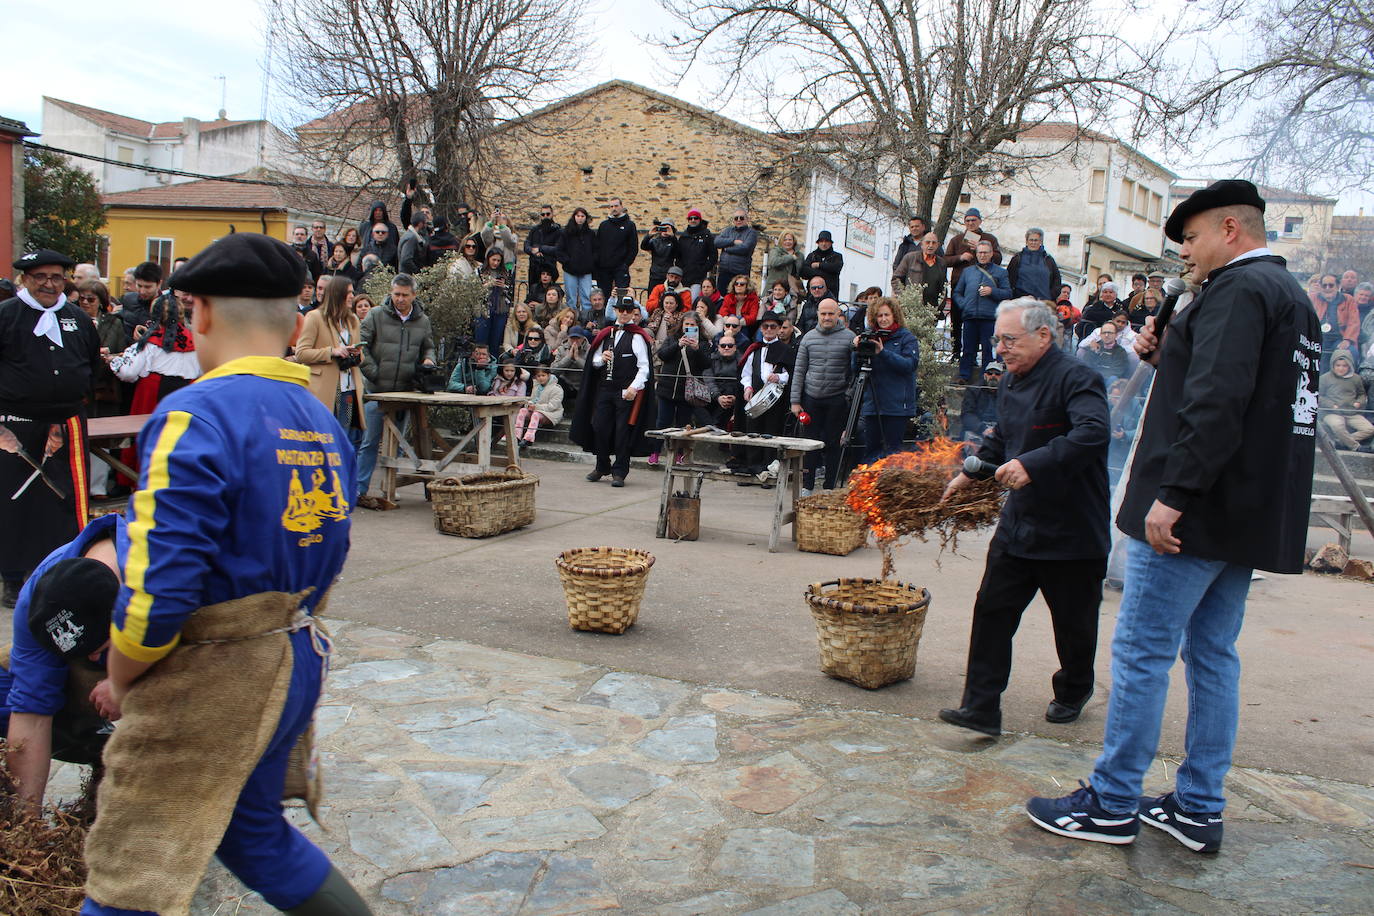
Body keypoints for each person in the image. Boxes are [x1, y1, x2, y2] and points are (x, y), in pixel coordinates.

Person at [79, 232, 372, 915]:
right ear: (296, 327)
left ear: (197, 315)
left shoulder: (194, 415)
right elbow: (334, 544)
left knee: (132, 864)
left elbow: (159, 588)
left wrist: (121, 675)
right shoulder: (320, 420)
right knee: (255, 836)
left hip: (212, 675)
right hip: (292, 653)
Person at [1026, 179, 1320, 854]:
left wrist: (1176, 492)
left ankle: (1111, 800)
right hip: (1245, 510)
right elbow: (1244, 390)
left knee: (1140, 652)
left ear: (1230, 232)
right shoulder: (1288, 297)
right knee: (1212, 655)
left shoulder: (1238, 292)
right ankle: (1197, 805)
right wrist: (1170, 353)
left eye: (1191, 238)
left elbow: (1217, 403)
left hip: (1197, 511)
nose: (1185, 253)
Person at [938, 297, 1110, 738]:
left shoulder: (1078, 378)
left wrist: (1034, 464)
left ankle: (1073, 690)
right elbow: (1003, 437)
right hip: (1020, 524)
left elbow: (1092, 433)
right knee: (992, 610)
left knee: (1073, 625)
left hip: (1072, 528)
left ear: (1043, 336)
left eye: (1008, 340)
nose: (1000, 349)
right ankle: (980, 707)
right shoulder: (1011, 382)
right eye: (997, 340)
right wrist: (969, 474)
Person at [0, 250, 103, 609]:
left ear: (65, 280)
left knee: (64, 502)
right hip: (15, 426)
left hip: (67, 426)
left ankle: (62, 571)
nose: (48, 283)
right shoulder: (6, 316)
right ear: (25, 279)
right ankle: (12, 576)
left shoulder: (77, 318)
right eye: (40, 276)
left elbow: (91, 367)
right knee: (14, 503)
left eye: (56, 277)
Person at [2, 516, 126, 809]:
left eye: (101, 647)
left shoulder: (175, 571)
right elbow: (30, 710)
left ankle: (130, 782)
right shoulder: (38, 598)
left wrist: (130, 683)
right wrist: (26, 830)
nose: (94, 657)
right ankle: (102, 757)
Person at [355, 274, 436, 509]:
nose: (400, 299)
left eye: (404, 295)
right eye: (396, 294)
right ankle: (359, 489)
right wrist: (374, 372)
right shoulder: (375, 315)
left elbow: (429, 346)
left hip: (405, 392)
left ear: (414, 295)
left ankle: (388, 487)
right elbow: (361, 346)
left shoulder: (423, 321)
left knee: (398, 443)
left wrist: (429, 360)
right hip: (376, 391)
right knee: (370, 442)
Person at [570, 297, 656, 486]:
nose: (624, 313)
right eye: (621, 310)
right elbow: (593, 362)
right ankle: (602, 466)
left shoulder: (637, 336)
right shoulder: (607, 333)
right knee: (599, 427)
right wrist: (602, 358)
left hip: (625, 391)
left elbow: (644, 367)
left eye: (628, 310)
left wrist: (634, 387)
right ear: (616, 311)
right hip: (605, 389)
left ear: (633, 312)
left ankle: (620, 471)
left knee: (622, 432)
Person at [291, 275, 366, 448]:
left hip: (348, 390)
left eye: (352, 292)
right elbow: (302, 353)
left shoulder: (352, 320)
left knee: (344, 441)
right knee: (322, 441)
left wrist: (356, 353)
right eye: (348, 292)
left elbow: (361, 357)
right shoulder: (314, 317)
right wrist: (331, 352)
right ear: (337, 294)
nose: (351, 296)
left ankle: (340, 475)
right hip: (324, 391)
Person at [790, 298, 855, 493]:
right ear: (817, 314)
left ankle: (829, 487)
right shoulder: (808, 338)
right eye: (823, 313)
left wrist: (848, 395)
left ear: (838, 315)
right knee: (810, 444)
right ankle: (807, 486)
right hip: (812, 398)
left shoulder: (850, 337)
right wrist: (795, 401)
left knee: (834, 443)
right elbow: (799, 371)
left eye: (830, 314)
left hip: (837, 398)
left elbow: (854, 372)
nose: (827, 317)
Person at [854, 297, 919, 462]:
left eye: (886, 315)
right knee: (870, 451)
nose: (883, 319)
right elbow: (855, 369)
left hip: (897, 407)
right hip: (872, 405)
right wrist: (857, 350)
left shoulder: (907, 338)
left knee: (892, 454)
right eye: (879, 316)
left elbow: (909, 365)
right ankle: (869, 485)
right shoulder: (870, 337)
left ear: (894, 315)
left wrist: (882, 352)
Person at [736, 314, 791, 484]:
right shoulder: (754, 349)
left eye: (773, 326)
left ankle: (768, 471)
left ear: (779, 329)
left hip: (776, 399)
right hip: (756, 396)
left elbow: (792, 374)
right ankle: (753, 469)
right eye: (765, 326)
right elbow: (745, 373)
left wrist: (780, 378)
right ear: (761, 328)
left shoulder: (785, 350)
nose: (769, 329)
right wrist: (748, 387)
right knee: (752, 432)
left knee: (771, 433)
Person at [945, 208, 1003, 364]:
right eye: (967, 220)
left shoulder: (989, 238)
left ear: (980, 221)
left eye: (973, 220)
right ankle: (956, 352)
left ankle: (974, 356)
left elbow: (998, 258)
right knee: (956, 321)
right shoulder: (957, 240)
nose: (970, 223)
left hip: (984, 287)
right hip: (960, 286)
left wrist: (980, 246)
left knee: (980, 322)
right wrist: (960, 257)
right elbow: (945, 260)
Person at [952, 240, 1012, 382]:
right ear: (976, 254)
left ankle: (985, 378)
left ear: (991, 254)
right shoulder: (967, 272)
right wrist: (964, 304)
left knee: (988, 350)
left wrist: (992, 291)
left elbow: (1008, 293)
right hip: (970, 316)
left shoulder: (1001, 273)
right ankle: (964, 376)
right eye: (980, 252)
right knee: (967, 350)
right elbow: (957, 293)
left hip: (990, 317)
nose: (982, 255)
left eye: (985, 252)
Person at [653, 311, 711, 436]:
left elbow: (706, 364)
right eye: (687, 324)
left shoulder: (703, 343)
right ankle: (655, 452)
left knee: (683, 425)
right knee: (662, 422)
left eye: (692, 325)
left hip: (687, 392)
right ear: (682, 325)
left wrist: (697, 350)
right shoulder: (673, 337)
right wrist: (677, 345)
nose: (689, 327)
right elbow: (662, 355)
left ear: (698, 326)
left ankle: (680, 454)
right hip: (667, 388)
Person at [1319, 350, 1372, 450]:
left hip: (1351, 412)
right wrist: (1331, 405)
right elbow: (1319, 396)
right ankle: (1356, 447)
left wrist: (1359, 402)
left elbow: (1362, 394)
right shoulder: (1325, 378)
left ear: (1350, 366)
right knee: (1338, 426)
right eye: (1338, 365)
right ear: (1333, 365)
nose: (1341, 368)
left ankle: (1342, 442)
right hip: (1331, 412)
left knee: (1369, 429)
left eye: (1344, 366)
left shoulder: (1356, 378)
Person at [892, 232, 952, 314]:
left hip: (932, 311)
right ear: (922, 244)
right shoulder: (910, 258)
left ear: (937, 245)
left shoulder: (942, 263)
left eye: (933, 243)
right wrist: (904, 297)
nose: (930, 245)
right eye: (928, 242)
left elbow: (943, 286)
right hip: (911, 308)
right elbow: (896, 278)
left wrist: (941, 305)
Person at [1309, 273, 1358, 372]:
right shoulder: (1312, 298)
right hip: (1316, 339)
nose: (1327, 288)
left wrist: (1347, 340)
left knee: (1352, 352)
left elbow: (1354, 322)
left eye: (1331, 285)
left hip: (1339, 339)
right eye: (1324, 285)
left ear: (1338, 286)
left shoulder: (1348, 299)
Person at [594, 198, 638, 297]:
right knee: (603, 297)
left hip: (621, 268)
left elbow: (633, 248)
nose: (614, 208)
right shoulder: (604, 225)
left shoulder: (629, 225)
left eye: (616, 206)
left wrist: (625, 264)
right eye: (611, 206)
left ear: (621, 207)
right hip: (604, 268)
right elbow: (597, 246)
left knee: (621, 296)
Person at [512, 366, 564, 448]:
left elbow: (553, 406)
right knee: (522, 411)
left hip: (551, 413)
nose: (541, 378)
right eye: (538, 376)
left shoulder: (557, 389)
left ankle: (528, 438)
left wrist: (535, 407)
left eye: (543, 375)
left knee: (536, 414)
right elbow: (532, 399)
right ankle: (517, 436)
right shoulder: (536, 386)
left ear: (549, 375)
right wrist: (529, 405)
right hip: (536, 410)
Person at [557, 206, 596, 313]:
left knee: (587, 297)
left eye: (582, 216)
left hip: (586, 270)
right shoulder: (566, 233)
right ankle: (571, 318)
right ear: (574, 217)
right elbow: (559, 250)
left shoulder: (590, 234)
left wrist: (591, 263)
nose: (580, 218)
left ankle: (586, 318)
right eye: (578, 216)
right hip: (570, 270)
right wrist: (567, 261)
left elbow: (595, 250)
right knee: (571, 298)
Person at [1006, 228, 1062, 301]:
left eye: (1036, 240)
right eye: (1031, 240)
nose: (1033, 243)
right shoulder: (1017, 258)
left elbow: (1057, 280)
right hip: (1020, 302)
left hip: (1044, 302)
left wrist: (1051, 295)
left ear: (1041, 242)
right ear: (1026, 241)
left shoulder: (1048, 259)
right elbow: (1009, 278)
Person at [476, 249, 514, 354]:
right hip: (484, 309)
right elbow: (475, 291)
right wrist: (489, 284)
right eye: (493, 260)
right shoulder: (479, 271)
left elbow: (511, 293)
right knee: (481, 339)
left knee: (495, 341)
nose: (496, 263)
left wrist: (504, 287)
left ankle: (493, 364)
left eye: (498, 260)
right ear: (488, 259)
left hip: (500, 309)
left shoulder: (506, 273)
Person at [714, 208, 758, 292]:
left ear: (746, 219)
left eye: (741, 218)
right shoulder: (728, 231)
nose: (738, 220)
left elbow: (745, 248)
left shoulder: (751, 233)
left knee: (739, 298)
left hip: (740, 273)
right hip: (724, 272)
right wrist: (733, 241)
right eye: (736, 218)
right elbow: (717, 242)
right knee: (723, 299)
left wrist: (726, 248)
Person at [958, 361, 1002, 445]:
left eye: (997, 374)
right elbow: (967, 414)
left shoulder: (1007, 392)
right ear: (985, 375)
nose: (993, 376)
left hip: (999, 430)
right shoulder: (973, 390)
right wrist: (983, 429)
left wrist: (998, 430)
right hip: (978, 428)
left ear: (1002, 376)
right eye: (990, 373)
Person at [1078, 320, 1133, 385]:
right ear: (1100, 335)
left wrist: (1101, 376)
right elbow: (1087, 365)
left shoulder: (1120, 351)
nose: (1106, 335)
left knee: (1113, 379)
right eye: (1104, 333)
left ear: (1116, 335)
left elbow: (1118, 371)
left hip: (1109, 381)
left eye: (1110, 333)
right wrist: (1095, 352)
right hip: (1093, 378)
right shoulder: (1094, 347)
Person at [119, 261, 163, 340]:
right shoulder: (128, 299)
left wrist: (150, 337)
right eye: (139, 286)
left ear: (159, 284)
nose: (142, 291)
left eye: (147, 287)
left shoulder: (168, 307)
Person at [678, 209, 717, 297]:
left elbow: (713, 256)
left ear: (700, 220)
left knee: (694, 300)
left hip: (698, 277)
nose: (693, 220)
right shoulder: (683, 237)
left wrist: (703, 269)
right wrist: (681, 269)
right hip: (684, 276)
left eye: (695, 218)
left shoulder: (707, 236)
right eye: (690, 218)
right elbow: (678, 256)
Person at [524, 204, 562, 284]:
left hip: (549, 267)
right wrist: (533, 251)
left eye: (548, 214)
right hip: (534, 266)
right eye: (543, 214)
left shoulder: (558, 231)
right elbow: (526, 245)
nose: (545, 216)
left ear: (552, 214)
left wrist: (541, 248)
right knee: (533, 292)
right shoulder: (534, 230)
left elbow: (558, 249)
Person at [799, 230, 844, 297]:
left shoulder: (837, 256)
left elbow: (836, 268)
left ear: (830, 243)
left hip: (830, 294)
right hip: (812, 295)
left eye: (826, 241)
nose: (824, 244)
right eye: (821, 241)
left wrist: (819, 265)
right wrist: (823, 273)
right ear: (818, 243)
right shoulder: (812, 256)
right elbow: (803, 272)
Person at [640, 218, 681, 292]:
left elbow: (678, 252)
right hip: (655, 275)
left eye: (668, 228)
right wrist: (649, 235)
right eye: (663, 228)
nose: (665, 231)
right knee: (652, 297)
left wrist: (672, 236)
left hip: (667, 276)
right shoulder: (655, 241)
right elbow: (643, 246)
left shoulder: (673, 242)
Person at [765, 230, 804, 295]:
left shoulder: (800, 255)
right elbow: (774, 262)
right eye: (785, 240)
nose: (787, 242)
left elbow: (801, 271)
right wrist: (791, 257)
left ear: (793, 241)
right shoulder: (775, 251)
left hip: (791, 290)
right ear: (781, 241)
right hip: (774, 290)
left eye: (790, 240)